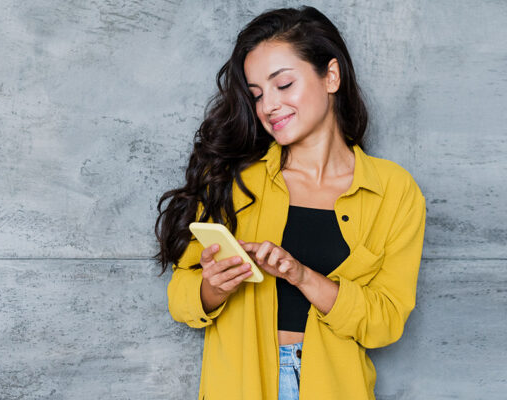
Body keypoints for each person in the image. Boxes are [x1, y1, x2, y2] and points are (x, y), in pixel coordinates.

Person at [154, 6, 427, 400]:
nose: (268, 106)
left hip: (336, 387)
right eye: (257, 94)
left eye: (283, 85)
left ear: (331, 76)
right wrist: (213, 287)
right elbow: (181, 298)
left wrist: (303, 276)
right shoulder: (235, 182)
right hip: (239, 385)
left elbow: (385, 322)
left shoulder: (394, 192)